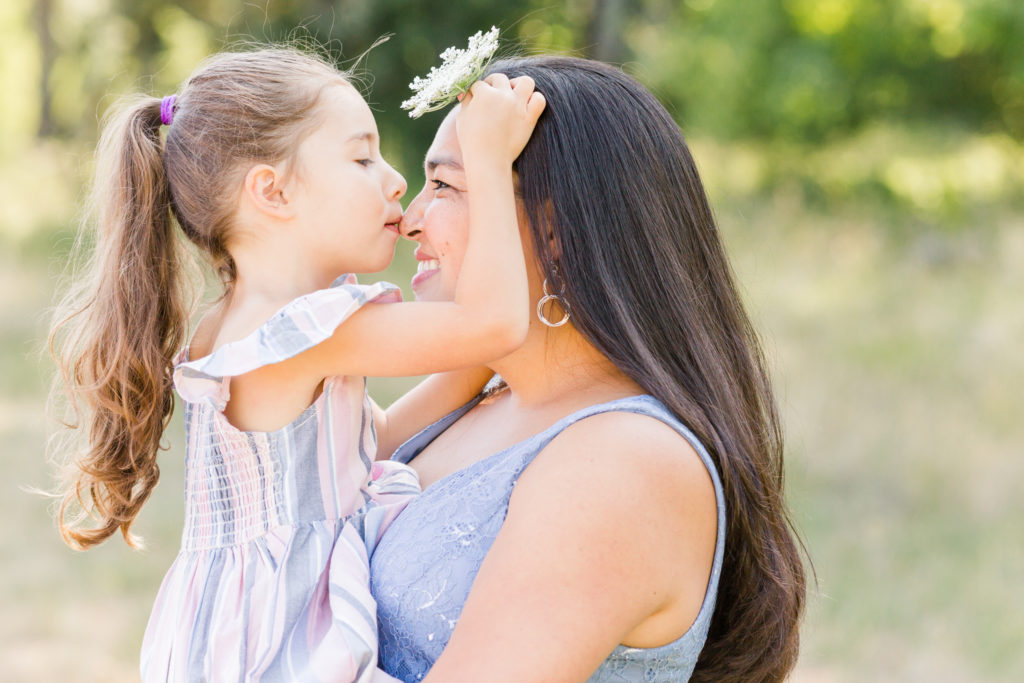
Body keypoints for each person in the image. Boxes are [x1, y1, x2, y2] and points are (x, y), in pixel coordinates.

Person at [47, 47, 544, 682]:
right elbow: (494, 323)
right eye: (362, 157)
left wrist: (482, 371)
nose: (394, 181)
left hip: (232, 634)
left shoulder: (238, 326)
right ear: (272, 190)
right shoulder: (298, 336)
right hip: (279, 643)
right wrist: (489, 160)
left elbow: (365, 444)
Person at [370, 56, 807, 682]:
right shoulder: (486, 390)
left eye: (444, 186)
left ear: (557, 230)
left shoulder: (626, 463)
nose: (410, 219)